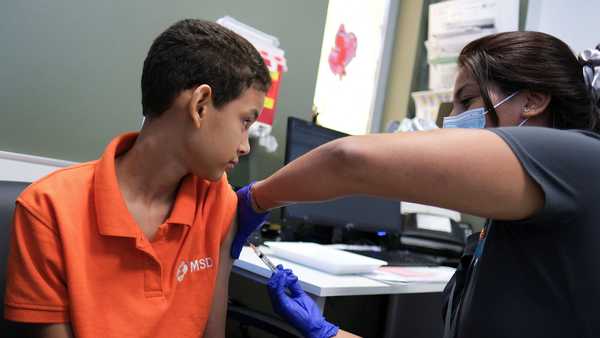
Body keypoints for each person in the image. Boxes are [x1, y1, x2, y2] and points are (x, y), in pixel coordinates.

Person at [232, 31, 600, 338]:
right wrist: (327, 332)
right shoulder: (504, 223)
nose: (452, 120)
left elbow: (349, 161)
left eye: (466, 100)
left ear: (533, 101)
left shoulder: (581, 160)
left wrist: (255, 200)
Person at [4, 19, 271, 338]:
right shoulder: (49, 209)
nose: (244, 146)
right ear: (200, 106)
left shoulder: (217, 200)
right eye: (245, 122)